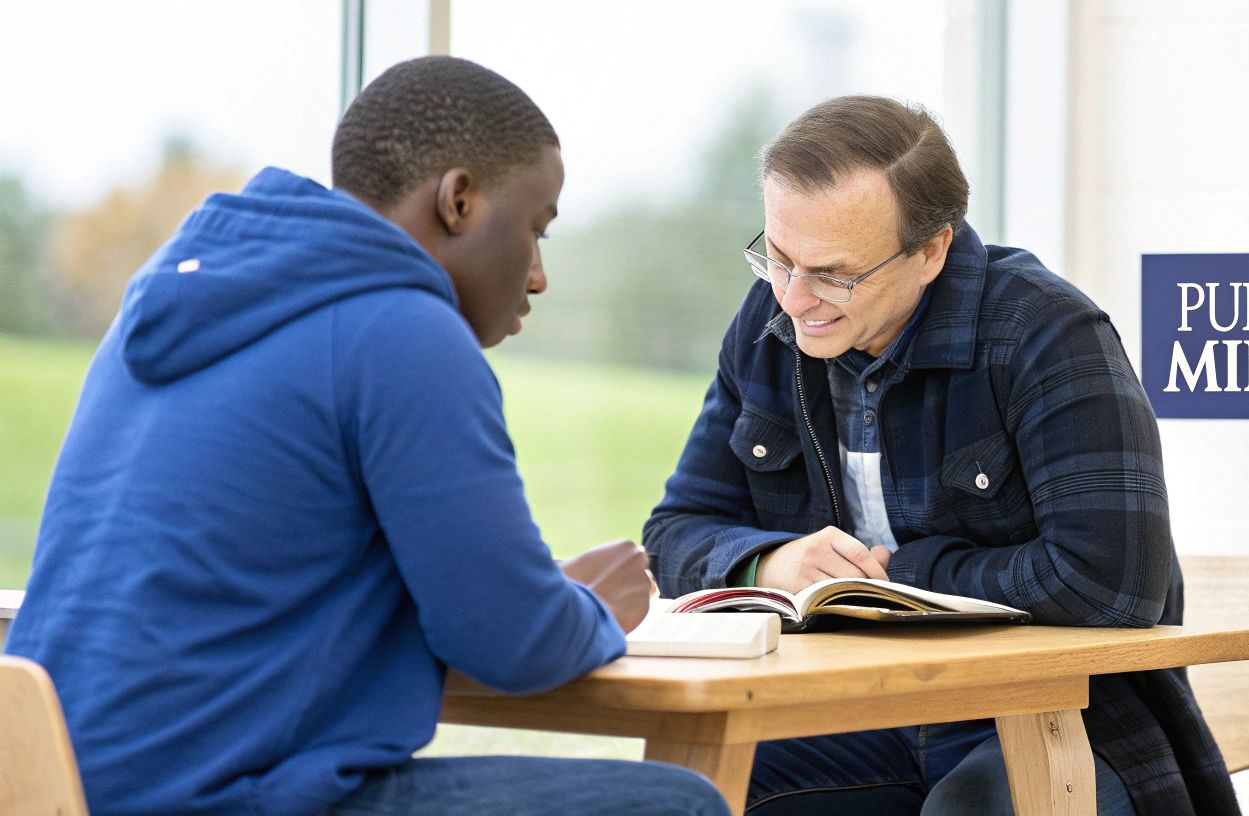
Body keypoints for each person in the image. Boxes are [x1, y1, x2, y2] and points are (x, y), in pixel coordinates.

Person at [5, 57, 728, 816]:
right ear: (459, 201)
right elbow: (507, 640)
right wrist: (588, 609)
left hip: (51, 784)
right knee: (680, 805)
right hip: (217, 800)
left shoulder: (166, 307)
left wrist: (531, 599)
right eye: (534, 228)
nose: (539, 274)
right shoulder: (403, 331)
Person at [642, 95, 1242, 815]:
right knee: (685, 794)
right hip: (854, 710)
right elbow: (674, 532)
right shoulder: (770, 324)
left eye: (833, 274)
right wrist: (775, 564)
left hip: (1048, 717)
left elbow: (1113, 584)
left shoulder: (1047, 332)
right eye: (776, 257)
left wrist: (902, 581)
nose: (795, 299)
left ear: (932, 250)